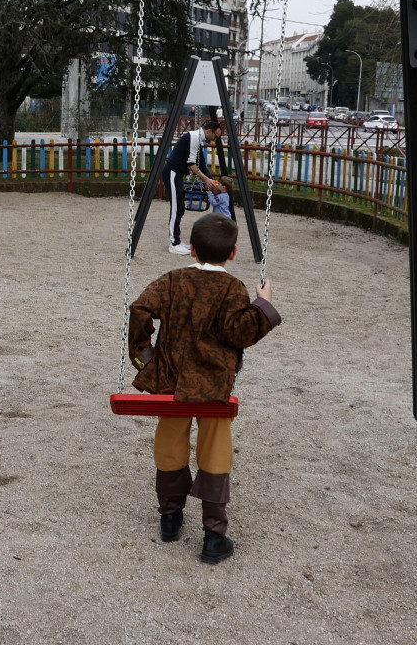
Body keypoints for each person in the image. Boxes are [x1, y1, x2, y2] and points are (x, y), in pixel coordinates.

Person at [129, 213, 281, 564]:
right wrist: (264, 304)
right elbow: (240, 332)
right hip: (213, 385)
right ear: (233, 253)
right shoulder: (232, 288)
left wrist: (145, 357)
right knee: (215, 446)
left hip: (172, 381)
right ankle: (213, 535)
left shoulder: (173, 279)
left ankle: (170, 517)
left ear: (192, 249)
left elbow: (140, 307)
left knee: (170, 439)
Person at [162, 117, 223, 255]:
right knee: (176, 208)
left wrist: (212, 182)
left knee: (180, 208)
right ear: (209, 131)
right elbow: (191, 165)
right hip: (172, 173)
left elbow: (201, 164)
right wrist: (206, 180)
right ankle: (174, 243)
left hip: (177, 174)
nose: (215, 140)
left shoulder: (198, 141)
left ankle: (177, 241)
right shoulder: (194, 138)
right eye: (215, 136)